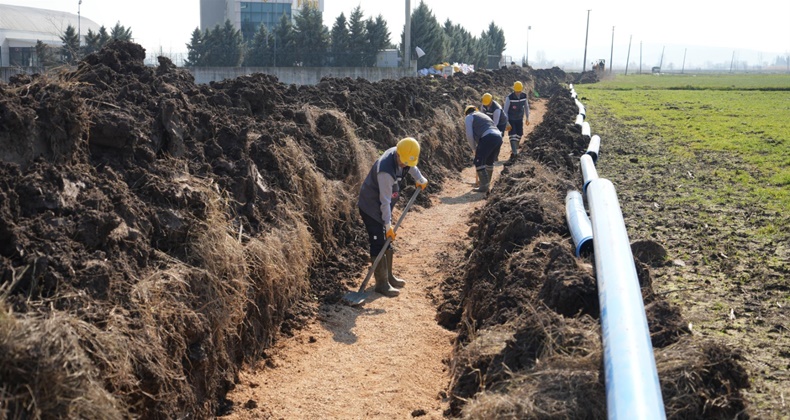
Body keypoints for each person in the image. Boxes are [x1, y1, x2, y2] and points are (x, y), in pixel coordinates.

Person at [357, 137, 429, 297]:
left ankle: (389, 276)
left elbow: (411, 165)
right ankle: (381, 284)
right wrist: (388, 225)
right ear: (397, 154)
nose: (404, 165)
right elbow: (384, 201)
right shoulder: (385, 171)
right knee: (378, 241)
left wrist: (419, 178)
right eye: (403, 162)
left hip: (382, 206)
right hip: (371, 207)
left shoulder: (404, 155)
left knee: (387, 240)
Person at [464, 105, 503, 193]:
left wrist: (474, 148)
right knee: (489, 161)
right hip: (498, 137)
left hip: (488, 136)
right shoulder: (482, 115)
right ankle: (487, 183)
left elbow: (469, 135)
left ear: (466, 112)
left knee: (478, 161)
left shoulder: (469, 117)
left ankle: (484, 186)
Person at [503, 81, 530, 165]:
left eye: (519, 91)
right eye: (516, 91)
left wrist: (527, 117)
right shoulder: (509, 98)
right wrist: (506, 122)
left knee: (519, 134)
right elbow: (505, 111)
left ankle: (515, 148)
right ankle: (514, 153)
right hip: (511, 119)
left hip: (519, 119)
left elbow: (526, 106)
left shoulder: (524, 96)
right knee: (512, 135)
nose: (518, 93)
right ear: (514, 90)